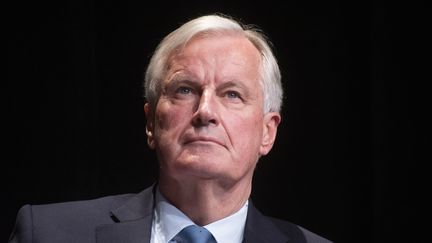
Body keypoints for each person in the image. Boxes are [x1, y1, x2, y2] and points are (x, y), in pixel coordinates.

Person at [9, 14, 331, 243]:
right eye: (185, 90)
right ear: (151, 122)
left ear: (267, 132)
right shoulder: (48, 233)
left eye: (232, 94)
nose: (205, 111)